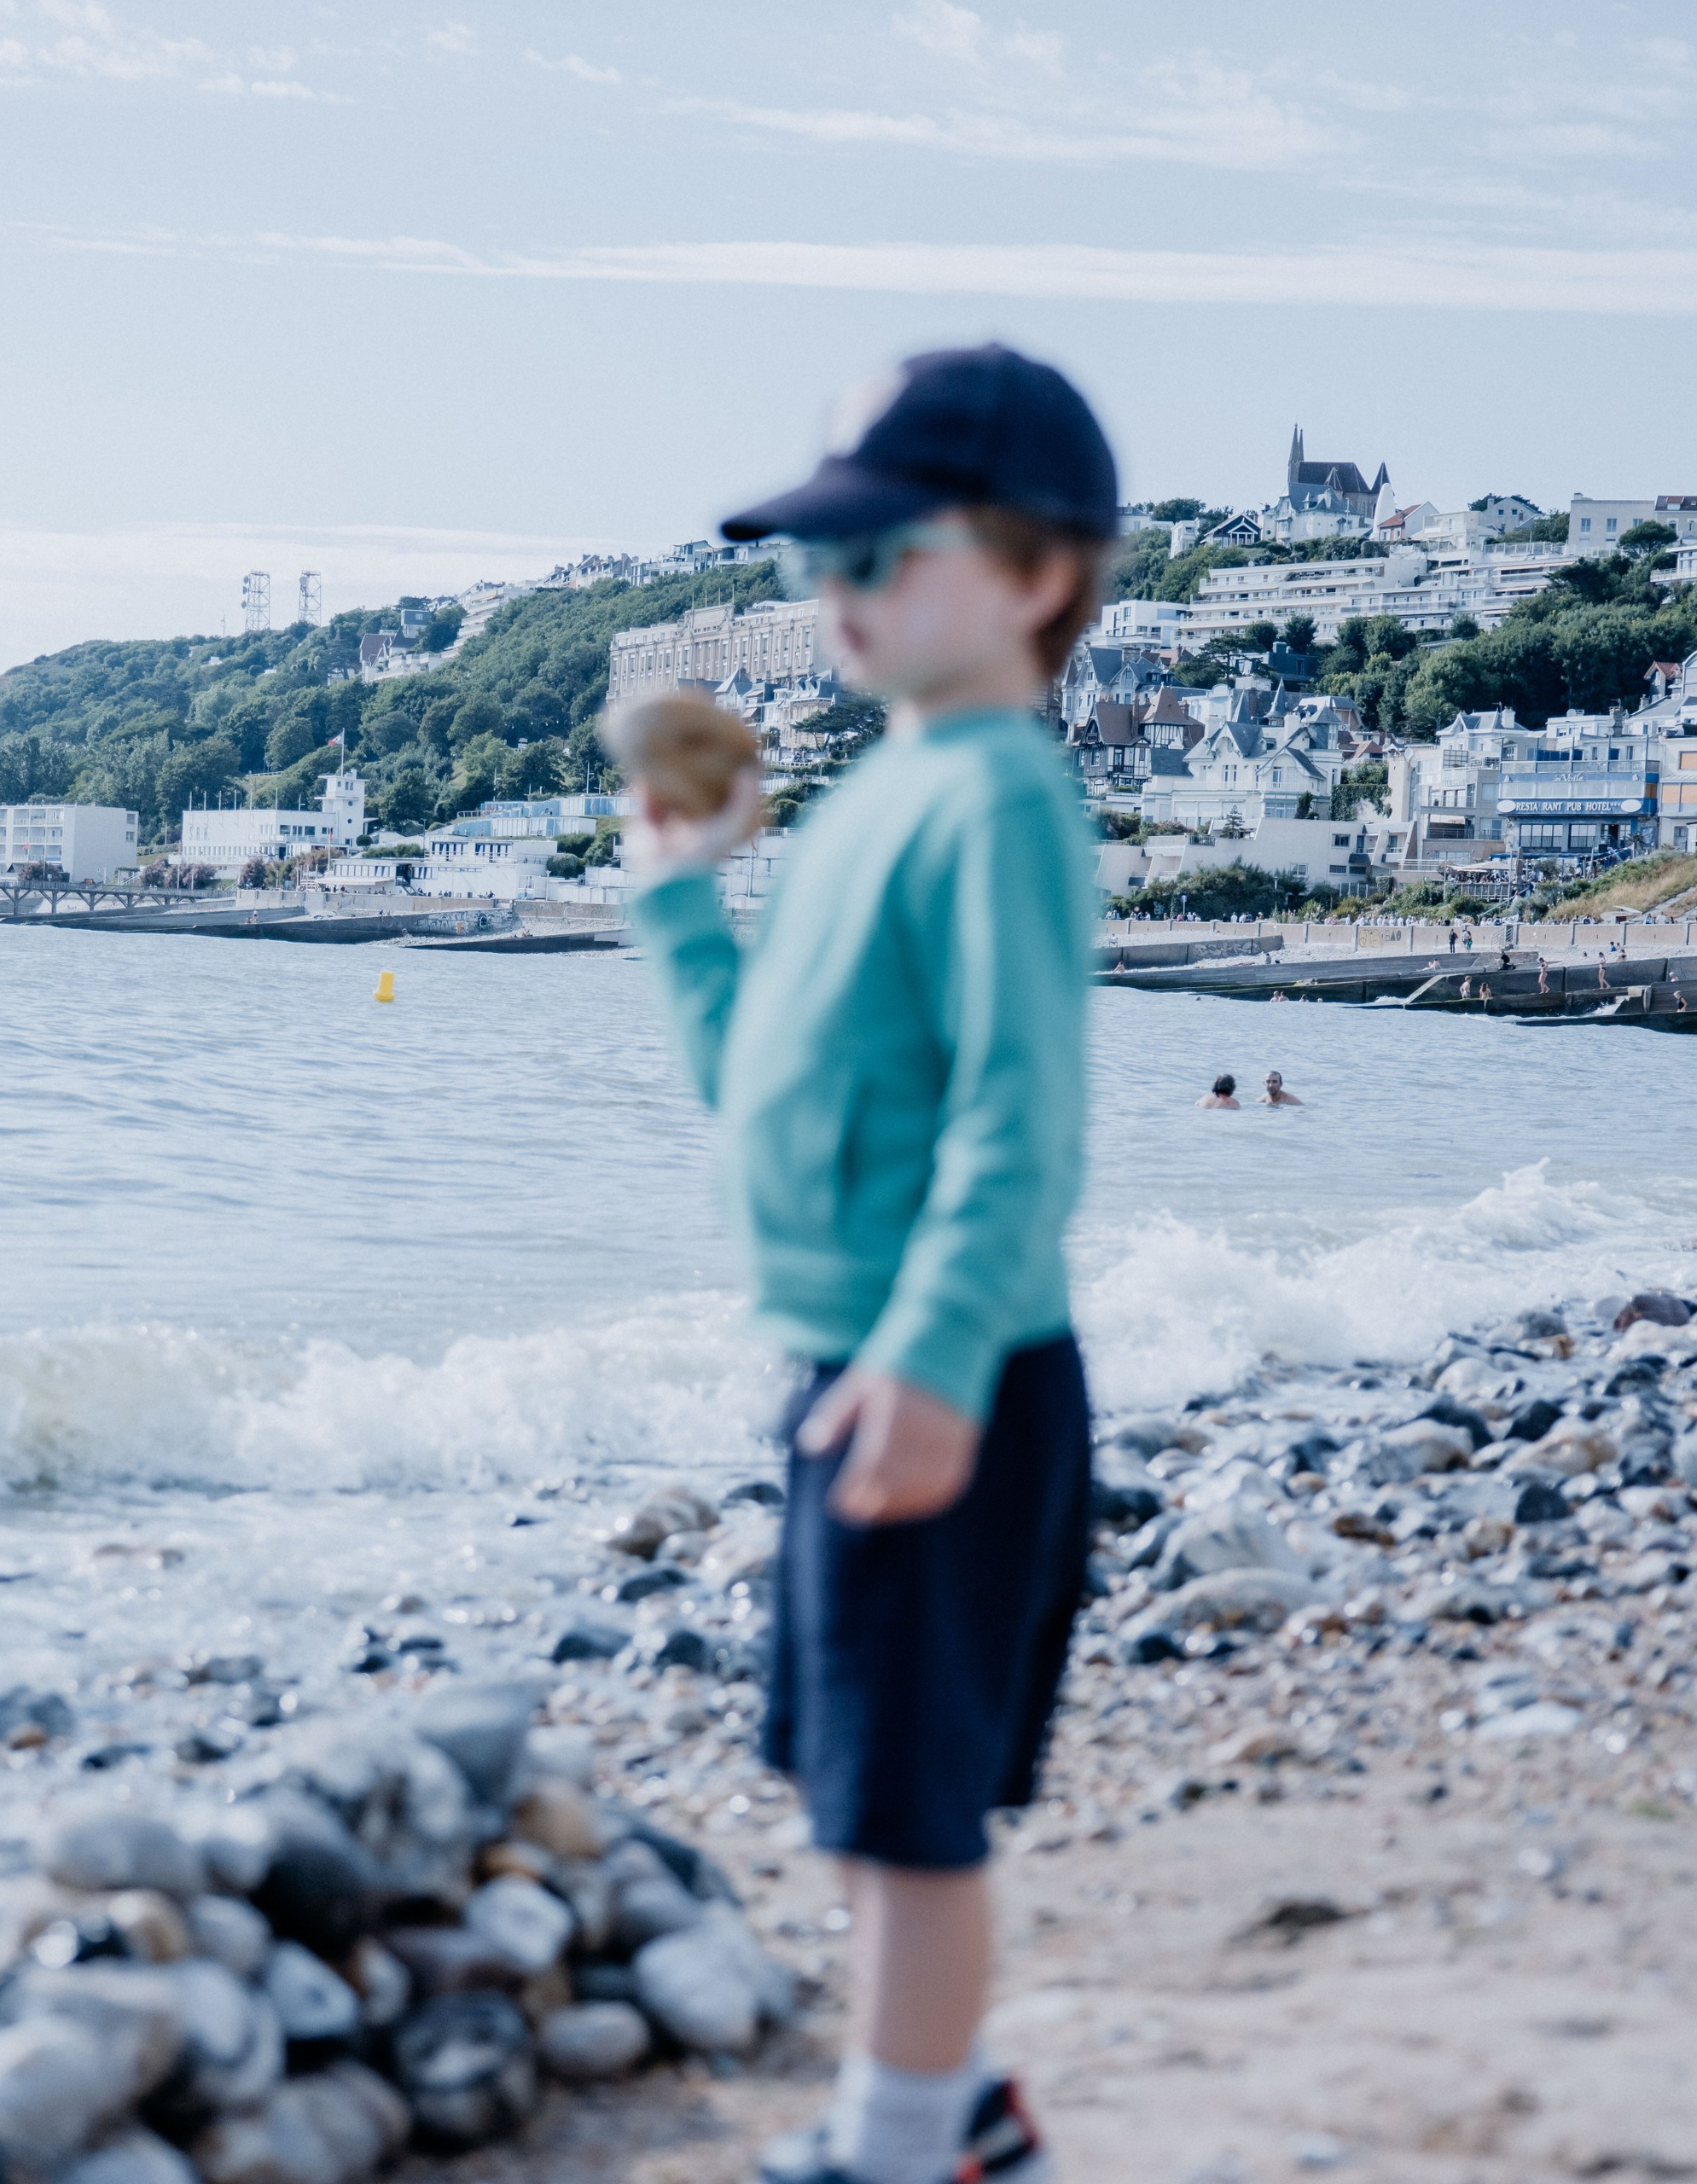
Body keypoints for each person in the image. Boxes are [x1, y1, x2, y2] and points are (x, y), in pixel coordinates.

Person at [625, 345, 1107, 2184]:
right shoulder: (864, 803)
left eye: (883, 553)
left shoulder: (996, 798)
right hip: (851, 1355)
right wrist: (680, 900)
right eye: (818, 558)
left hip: (949, 1369)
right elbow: (755, 1094)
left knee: (911, 1820)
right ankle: (954, 2104)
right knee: (849, 1782)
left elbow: (1019, 1120)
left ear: (1035, 574)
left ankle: (903, 2146)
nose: (835, 592)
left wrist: (928, 1356)